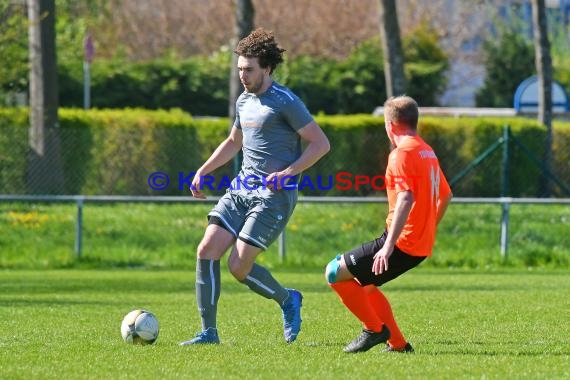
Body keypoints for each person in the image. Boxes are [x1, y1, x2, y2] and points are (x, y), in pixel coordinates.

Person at [180, 28, 330, 346]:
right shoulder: (244, 101)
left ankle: (288, 299)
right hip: (241, 189)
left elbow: (320, 144)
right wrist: (203, 171)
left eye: (249, 70)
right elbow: (234, 141)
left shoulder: (286, 101)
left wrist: (290, 172)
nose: (243, 76)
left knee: (238, 265)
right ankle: (209, 332)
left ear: (267, 68)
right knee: (206, 249)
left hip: (273, 197)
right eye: (239, 70)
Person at [324, 95, 452, 353]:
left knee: (334, 273)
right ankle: (398, 344)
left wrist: (388, 246)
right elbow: (446, 195)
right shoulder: (426, 151)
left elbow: (406, 197)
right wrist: (429, 227)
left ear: (390, 125)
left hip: (401, 243)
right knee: (365, 285)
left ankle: (374, 330)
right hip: (418, 244)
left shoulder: (401, 154)